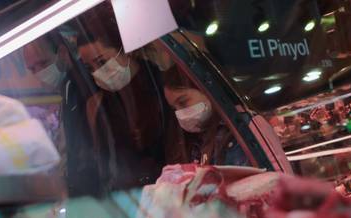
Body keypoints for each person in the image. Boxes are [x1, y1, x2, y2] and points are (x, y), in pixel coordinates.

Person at [76, 7, 172, 191]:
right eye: (90, 67)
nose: (97, 72)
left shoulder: (161, 84)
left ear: (124, 49)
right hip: (124, 198)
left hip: (164, 192)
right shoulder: (98, 105)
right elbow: (104, 164)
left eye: (101, 62)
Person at [23, 35, 98, 196]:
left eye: (43, 63)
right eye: (32, 69)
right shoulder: (67, 90)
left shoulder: (82, 87)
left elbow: (87, 153)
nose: (39, 73)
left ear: (63, 53)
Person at [163, 68, 250, 166]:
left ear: (207, 90)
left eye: (183, 102)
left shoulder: (240, 126)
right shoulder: (195, 138)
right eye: (174, 108)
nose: (180, 113)